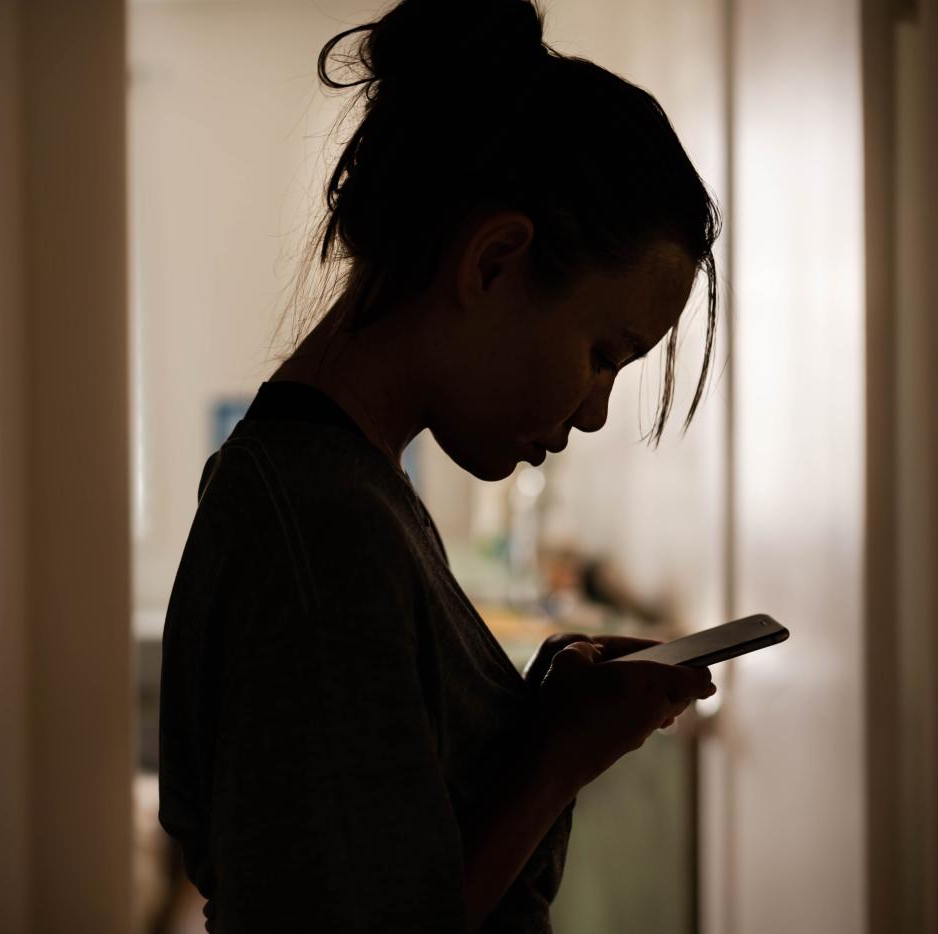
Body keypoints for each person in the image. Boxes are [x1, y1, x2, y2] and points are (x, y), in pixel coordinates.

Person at [158, 0, 720, 930]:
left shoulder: (347, 490)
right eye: (604, 353)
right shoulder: (324, 529)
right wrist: (556, 761)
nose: (594, 411)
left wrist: (542, 719)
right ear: (496, 261)